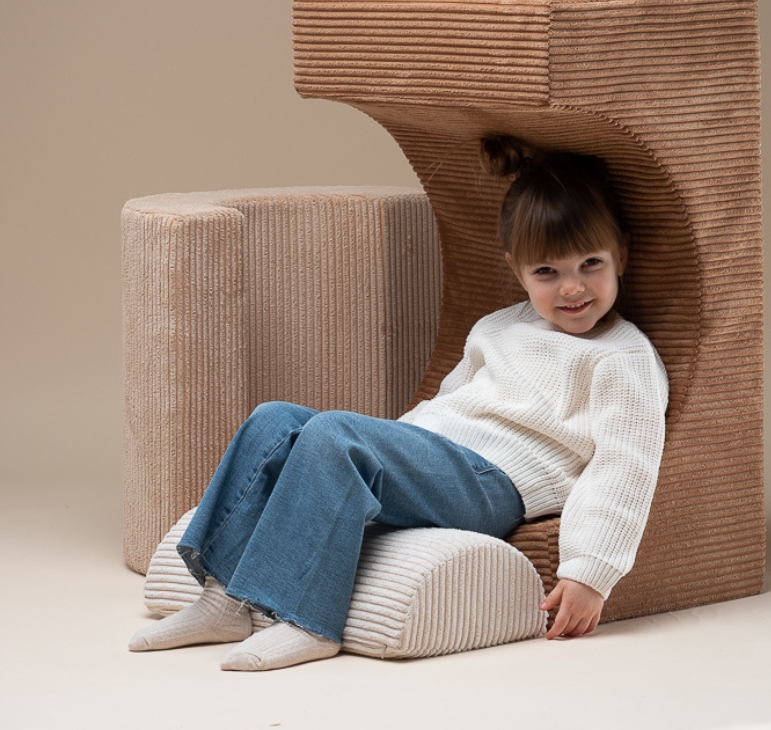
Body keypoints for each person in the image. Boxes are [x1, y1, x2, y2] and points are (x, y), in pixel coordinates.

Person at [128, 135, 668, 670]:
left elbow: (626, 465)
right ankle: (223, 600)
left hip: (496, 484)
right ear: (516, 270)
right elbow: (445, 404)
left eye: (590, 264)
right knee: (273, 421)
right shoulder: (498, 327)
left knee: (334, 434)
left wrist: (590, 571)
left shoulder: (623, 358)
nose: (572, 288)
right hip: (440, 455)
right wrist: (381, 454)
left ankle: (309, 620)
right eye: (547, 272)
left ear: (621, 254)